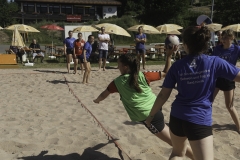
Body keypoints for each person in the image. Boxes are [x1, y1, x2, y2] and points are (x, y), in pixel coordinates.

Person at [145, 26, 240, 160]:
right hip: (198, 118)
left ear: (185, 45)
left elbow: (162, 95)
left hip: (177, 117)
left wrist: (151, 116)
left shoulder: (177, 66)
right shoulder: (214, 62)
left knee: (178, 153)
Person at [93, 48, 194, 159]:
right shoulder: (144, 75)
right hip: (155, 108)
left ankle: (197, 157)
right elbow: (166, 72)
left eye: (119, 65)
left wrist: (97, 100)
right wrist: (169, 56)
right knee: (175, 141)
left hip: (149, 116)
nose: (118, 67)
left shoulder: (117, 82)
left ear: (125, 67)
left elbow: (104, 94)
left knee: (175, 144)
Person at [212, 29, 240, 133]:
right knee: (208, 102)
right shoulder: (217, 49)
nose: (222, 40)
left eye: (225, 38)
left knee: (229, 106)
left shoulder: (236, 49)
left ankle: (239, 127)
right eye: (222, 37)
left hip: (229, 79)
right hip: (217, 79)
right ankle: (202, 123)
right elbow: (212, 62)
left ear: (231, 38)